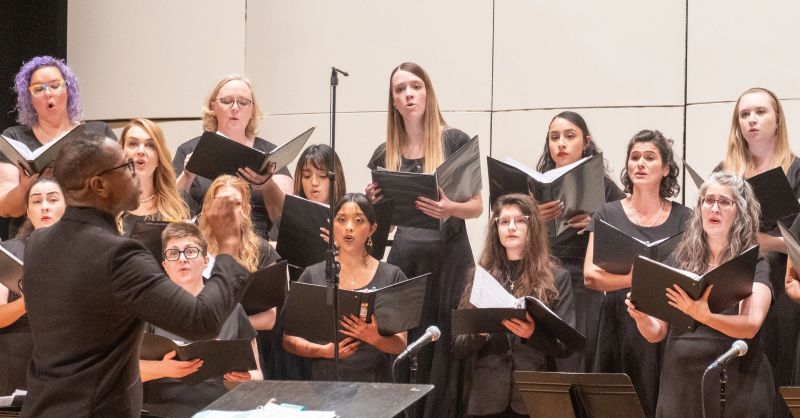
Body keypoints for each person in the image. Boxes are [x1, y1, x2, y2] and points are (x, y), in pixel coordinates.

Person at [20, 132, 252, 417]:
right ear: (99, 185)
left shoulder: (38, 243)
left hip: (42, 408)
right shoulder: (119, 255)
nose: (135, 174)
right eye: (126, 167)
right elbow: (202, 321)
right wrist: (228, 245)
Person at [365, 62, 483, 417]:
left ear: (428, 93)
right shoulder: (384, 153)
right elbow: (384, 227)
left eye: (415, 86)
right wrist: (374, 205)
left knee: (446, 344)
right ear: (393, 101)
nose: (409, 94)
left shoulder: (454, 141)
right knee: (407, 343)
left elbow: (477, 206)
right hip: (406, 261)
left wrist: (450, 208)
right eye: (400, 89)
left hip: (450, 259)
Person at [626, 172, 774, 418]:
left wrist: (703, 315)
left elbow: (750, 326)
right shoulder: (678, 260)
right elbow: (657, 332)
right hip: (681, 384)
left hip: (736, 382)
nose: (714, 208)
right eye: (708, 200)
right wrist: (642, 318)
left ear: (741, 212)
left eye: (724, 202)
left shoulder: (753, 263)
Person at [583, 130, 691, 417]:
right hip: (618, 319)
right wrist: (636, 278)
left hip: (665, 319)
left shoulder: (685, 218)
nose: (640, 163)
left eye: (649, 157)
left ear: (666, 169)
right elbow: (591, 275)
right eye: (635, 157)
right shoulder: (607, 214)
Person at [452, 194, 575, 418]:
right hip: (487, 398)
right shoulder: (481, 277)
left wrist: (533, 333)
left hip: (533, 396)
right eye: (504, 221)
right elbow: (459, 346)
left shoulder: (557, 278)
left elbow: (566, 346)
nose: (511, 227)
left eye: (520, 221)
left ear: (532, 226)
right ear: (496, 229)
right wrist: (480, 331)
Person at [717, 87, 799, 415]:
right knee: (737, 369)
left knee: (779, 368)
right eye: (745, 114)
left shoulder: (797, 171)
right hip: (737, 282)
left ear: (777, 120)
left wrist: (768, 241)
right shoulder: (725, 173)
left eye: (760, 112)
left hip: (784, 283)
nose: (752, 119)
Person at [533, 111, 625, 372]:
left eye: (569, 136)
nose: (560, 143)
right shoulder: (536, 186)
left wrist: (596, 222)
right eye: (554, 137)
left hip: (583, 282)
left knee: (577, 357)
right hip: (542, 277)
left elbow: (626, 233)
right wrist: (533, 217)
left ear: (586, 142)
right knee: (539, 354)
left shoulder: (605, 188)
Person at [140, 222, 262, 418]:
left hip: (220, 410)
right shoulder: (147, 310)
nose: (182, 259)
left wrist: (246, 378)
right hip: (161, 411)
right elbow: (126, 374)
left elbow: (258, 376)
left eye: (190, 252)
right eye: (173, 253)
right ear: (165, 265)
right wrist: (163, 369)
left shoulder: (232, 309)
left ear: (205, 261)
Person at [282, 193, 408, 381]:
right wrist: (324, 351)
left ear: (372, 228)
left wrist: (374, 337)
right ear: (333, 225)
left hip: (375, 383)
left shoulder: (392, 276)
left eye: (359, 221)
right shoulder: (312, 274)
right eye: (341, 220)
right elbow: (288, 340)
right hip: (324, 383)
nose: (349, 227)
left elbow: (400, 344)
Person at [0, 56, 115, 237]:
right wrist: (26, 187)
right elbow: (5, 208)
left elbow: (120, 189)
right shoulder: (15, 137)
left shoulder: (99, 132)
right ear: (29, 98)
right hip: (32, 240)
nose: (48, 93)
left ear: (68, 90)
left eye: (55, 86)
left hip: (90, 236)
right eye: (38, 89)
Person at [173, 74, 293, 239]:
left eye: (243, 102)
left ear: (252, 110)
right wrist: (187, 175)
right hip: (203, 243)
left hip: (256, 245)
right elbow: (170, 209)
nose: (235, 107)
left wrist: (267, 184)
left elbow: (285, 218)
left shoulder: (270, 153)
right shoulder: (188, 150)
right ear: (213, 107)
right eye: (227, 101)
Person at [198, 176, 280, 366]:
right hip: (198, 349)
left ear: (246, 210)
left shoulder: (262, 251)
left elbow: (270, 318)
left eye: (235, 204)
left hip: (245, 350)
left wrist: (227, 327)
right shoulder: (194, 248)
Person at [0, 177, 65, 396]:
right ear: (28, 211)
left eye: (53, 199)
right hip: (13, 360)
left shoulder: (85, 253)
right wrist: (27, 303)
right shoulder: (8, 252)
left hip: (66, 363)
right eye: (37, 201)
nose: (45, 206)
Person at [117, 118, 190, 234]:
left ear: (159, 159)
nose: (141, 151)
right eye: (133, 143)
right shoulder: (104, 208)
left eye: (150, 145)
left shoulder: (178, 207)